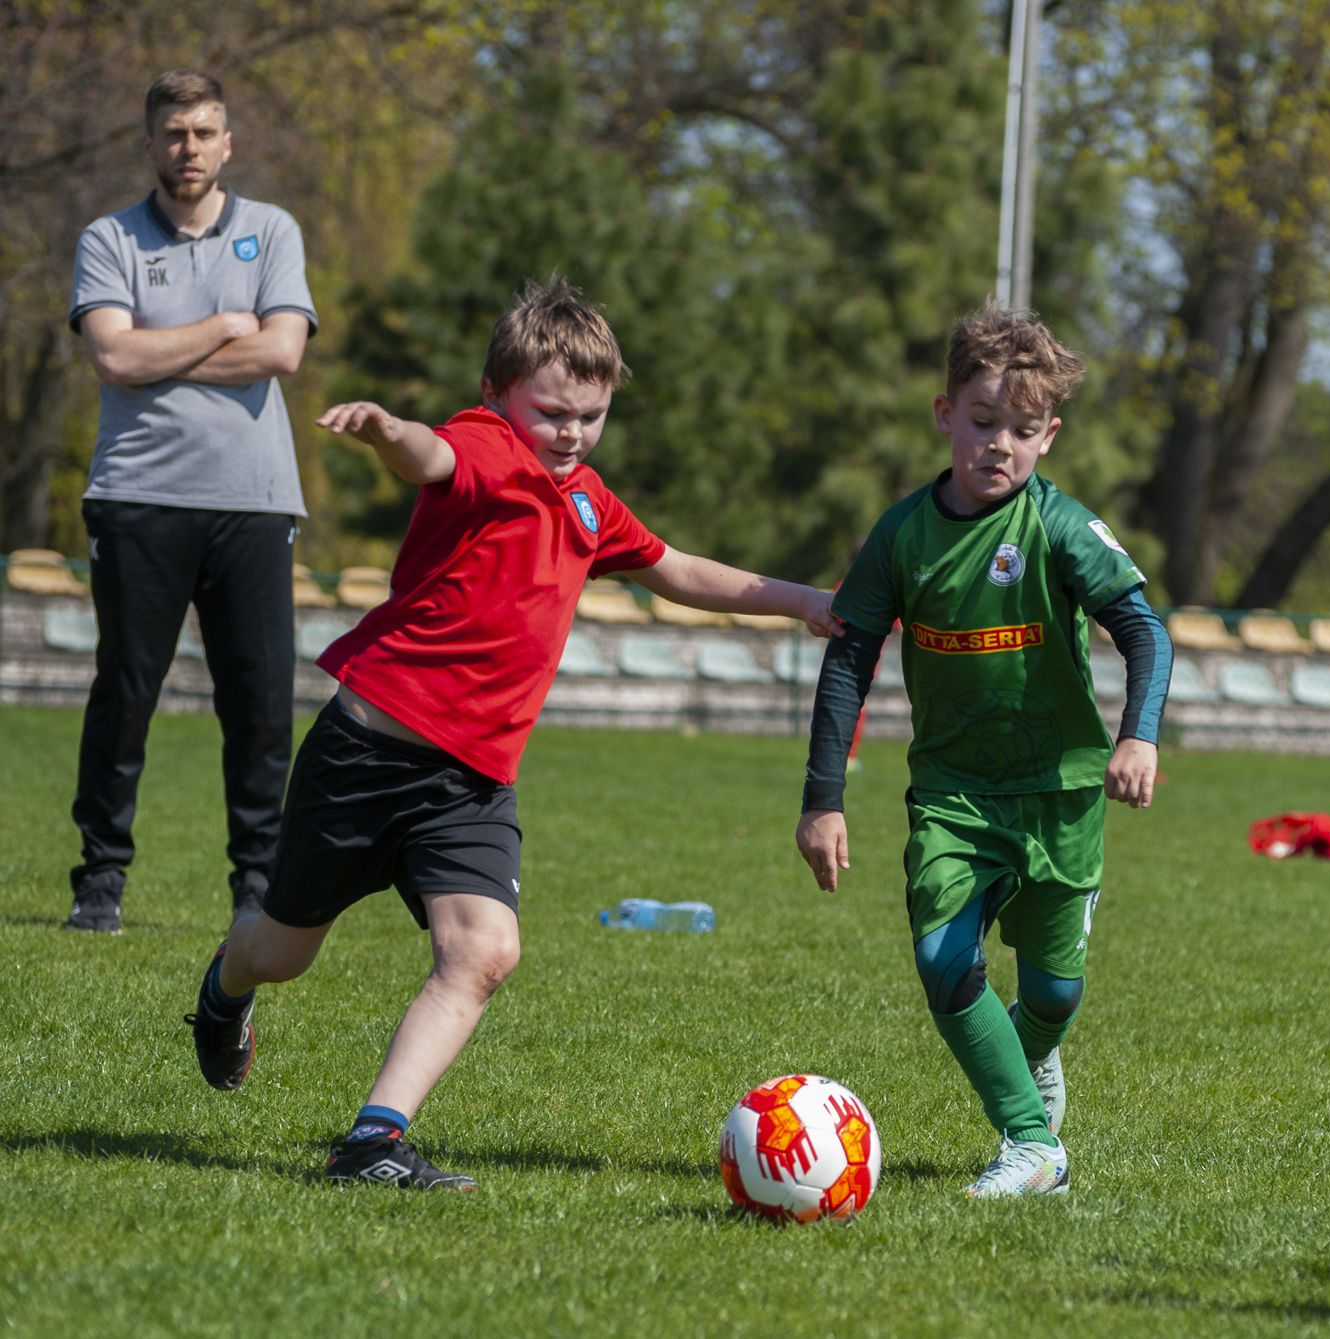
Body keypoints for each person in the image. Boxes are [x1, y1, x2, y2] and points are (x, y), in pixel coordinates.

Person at [183, 276, 840, 1190]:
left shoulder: (587, 501)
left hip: (470, 782)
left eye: (592, 415)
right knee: (282, 952)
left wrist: (806, 602)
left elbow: (677, 567)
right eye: (553, 412)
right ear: (499, 395)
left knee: (484, 952)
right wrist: (384, 433)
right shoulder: (487, 446)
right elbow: (430, 457)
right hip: (367, 755)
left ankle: (372, 1141)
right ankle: (224, 991)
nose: (570, 432)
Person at [794, 300, 1171, 1197]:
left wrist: (1138, 736)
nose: (1000, 443)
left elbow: (1146, 633)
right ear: (944, 415)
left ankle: (1027, 1060)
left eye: (1023, 429)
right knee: (940, 960)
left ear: (1050, 437)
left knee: (1053, 996)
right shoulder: (901, 536)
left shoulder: (1062, 527)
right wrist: (822, 798)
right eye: (983, 421)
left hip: (1061, 791)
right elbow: (848, 660)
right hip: (955, 794)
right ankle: (1034, 1144)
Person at [64, 70, 317, 934]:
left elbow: (282, 354)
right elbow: (114, 361)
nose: (190, 149)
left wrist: (156, 347)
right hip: (137, 494)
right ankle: (99, 880)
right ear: (149, 142)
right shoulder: (110, 239)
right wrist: (220, 326)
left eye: (205, 132)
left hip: (255, 502)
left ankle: (258, 884)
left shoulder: (271, 231)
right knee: (126, 691)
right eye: (174, 134)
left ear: (228, 142)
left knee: (259, 700)